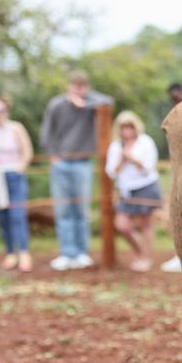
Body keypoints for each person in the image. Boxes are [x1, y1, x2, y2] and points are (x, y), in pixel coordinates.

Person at [40, 70, 112, 271]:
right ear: (69, 86)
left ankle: (81, 252)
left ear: (86, 87)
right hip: (60, 163)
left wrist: (85, 103)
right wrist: (51, 154)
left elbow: (109, 101)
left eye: (82, 86)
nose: (78, 89)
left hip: (83, 163)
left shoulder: (92, 104)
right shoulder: (56, 104)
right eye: (75, 85)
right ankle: (66, 253)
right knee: (63, 210)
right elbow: (46, 131)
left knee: (81, 210)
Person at [0, 95, 34, 272]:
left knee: (17, 215)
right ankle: (10, 253)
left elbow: (27, 151)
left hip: (14, 174)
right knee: (3, 217)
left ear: (7, 111)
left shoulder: (16, 128)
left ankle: (24, 253)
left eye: (0, 111)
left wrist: (20, 168)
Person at [106, 111, 162, 272]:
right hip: (126, 190)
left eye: (130, 126)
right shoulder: (116, 146)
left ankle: (146, 258)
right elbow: (111, 172)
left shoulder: (145, 142)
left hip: (146, 186)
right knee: (122, 225)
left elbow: (148, 168)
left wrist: (131, 158)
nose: (127, 131)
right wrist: (122, 160)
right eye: (123, 127)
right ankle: (140, 252)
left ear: (135, 127)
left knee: (146, 225)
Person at [159, 82, 182, 275]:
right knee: (178, 209)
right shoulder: (175, 112)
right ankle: (181, 254)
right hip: (180, 167)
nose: (175, 96)